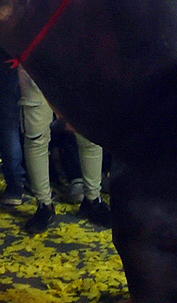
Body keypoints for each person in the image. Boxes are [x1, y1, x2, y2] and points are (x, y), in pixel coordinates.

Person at [18, 68, 110, 234]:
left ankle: (93, 200)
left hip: (77, 65)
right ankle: (44, 204)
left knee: (90, 136)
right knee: (36, 137)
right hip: (36, 66)